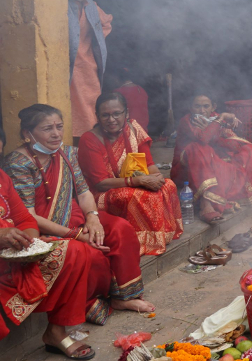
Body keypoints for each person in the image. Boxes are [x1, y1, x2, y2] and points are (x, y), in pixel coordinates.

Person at [2, 104, 154, 322]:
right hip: (43, 228)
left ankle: (123, 296)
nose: (56, 134)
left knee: (120, 228)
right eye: (47, 129)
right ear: (27, 134)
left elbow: (83, 193)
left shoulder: (67, 153)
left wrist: (93, 217)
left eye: (59, 127)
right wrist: (75, 234)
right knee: (91, 253)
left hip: (75, 216)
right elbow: (28, 217)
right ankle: (91, 302)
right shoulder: (18, 164)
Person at [0, 129, 102, 360]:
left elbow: (24, 218)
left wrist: (29, 243)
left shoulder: (1, 178)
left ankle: (56, 331)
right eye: (48, 128)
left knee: (75, 249)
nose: (55, 133)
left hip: (13, 254)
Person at [77, 93, 183, 255]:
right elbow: (101, 183)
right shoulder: (89, 139)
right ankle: (139, 242)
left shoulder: (133, 127)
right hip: (102, 194)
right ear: (97, 116)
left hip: (135, 181)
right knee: (139, 196)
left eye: (116, 114)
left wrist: (156, 177)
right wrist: (138, 181)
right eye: (105, 115)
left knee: (168, 185)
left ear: (126, 113)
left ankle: (161, 235)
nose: (111, 119)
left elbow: (149, 164)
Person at [170, 93, 252, 223]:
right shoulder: (187, 120)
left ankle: (232, 194)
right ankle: (206, 204)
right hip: (184, 170)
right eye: (197, 106)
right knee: (199, 147)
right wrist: (221, 119)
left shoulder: (215, 118)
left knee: (247, 149)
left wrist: (226, 126)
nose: (202, 110)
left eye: (206, 106)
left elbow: (231, 143)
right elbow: (203, 138)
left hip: (208, 162)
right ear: (190, 108)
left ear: (213, 107)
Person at [67, 0, 113, 138]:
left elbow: (106, 23)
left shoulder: (92, 6)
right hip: (67, 68)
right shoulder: (58, 4)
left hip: (88, 68)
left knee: (91, 107)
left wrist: (96, 41)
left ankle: (89, 142)